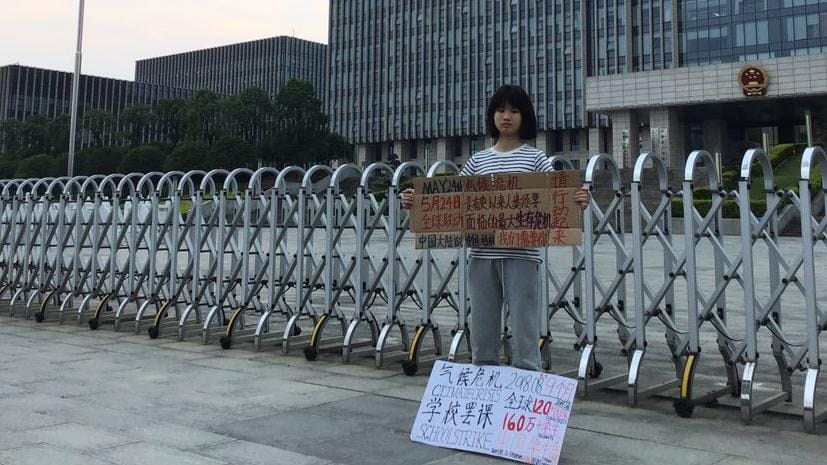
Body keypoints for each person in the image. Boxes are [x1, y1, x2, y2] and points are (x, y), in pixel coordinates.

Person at [401, 85, 590, 371]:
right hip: (481, 254)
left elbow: (556, 201)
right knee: (482, 323)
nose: (506, 116)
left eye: (514, 111)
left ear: (524, 117)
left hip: (523, 256)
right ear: (492, 116)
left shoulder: (536, 159)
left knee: (525, 325)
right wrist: (416, 201)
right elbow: (452, 201)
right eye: (501, 110)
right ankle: (483, 382)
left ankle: (527, 382)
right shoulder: (478, 161)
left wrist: (577, 200)